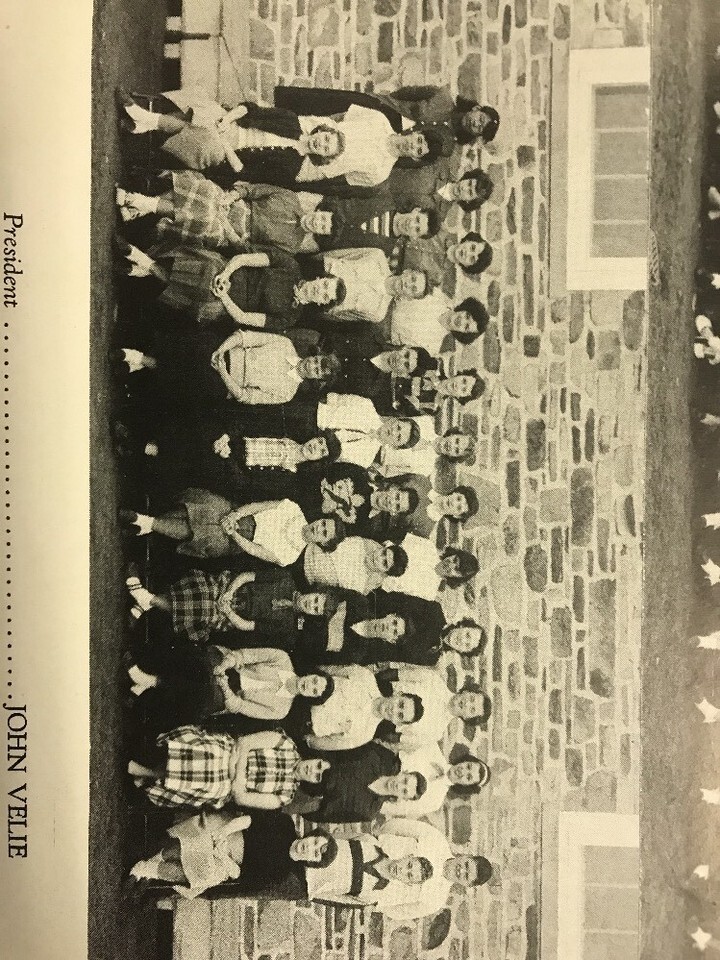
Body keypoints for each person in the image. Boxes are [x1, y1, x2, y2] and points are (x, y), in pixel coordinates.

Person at [115, 241, 347, 329]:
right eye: (325, 285)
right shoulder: (291, 265)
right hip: (229, 271)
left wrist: (223, 296)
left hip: (226, 305)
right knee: (210, 268)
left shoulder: (290, 317)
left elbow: (244, 318)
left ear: (321, 303)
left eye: (324, 295)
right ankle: (139, 264)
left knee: (206, 295)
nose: (320, 290)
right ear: (321, 278)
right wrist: (225, 275)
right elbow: (244, 259)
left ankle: (140, 263)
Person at [115, 176, 345, 254]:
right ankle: (138, 207)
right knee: (207, 191)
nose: (317, 223)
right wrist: (230, 197)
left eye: (322, 228)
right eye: (323, 218)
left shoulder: (291, 246)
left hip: (230, 233)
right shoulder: (290, 198)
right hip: (234, 205)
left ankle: (138, 202)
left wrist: (226, 225)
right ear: (319, 211)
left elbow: (247, 249)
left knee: (206, 217)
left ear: (319, 234)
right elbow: (252, 190)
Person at [129, 726, 330, 811]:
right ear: (316, 758)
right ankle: (148, 772)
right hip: (229, 751)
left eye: (317, 776)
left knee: (212, 784)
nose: (313, 770)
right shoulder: (285, 743)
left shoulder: (285, 796)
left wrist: (236, 768)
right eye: (318, 765)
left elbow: (241, 798)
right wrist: (237, 775)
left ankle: (147, 773)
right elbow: (244, 742)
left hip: (226, 784)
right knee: (213, 755)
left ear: (312, 784)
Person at [124, 567, 332, 647]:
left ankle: (145, 600)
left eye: (315, 609)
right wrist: (230, 592)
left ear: (312, 614)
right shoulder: (286, 579)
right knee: (202, 593)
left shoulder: (287, 625)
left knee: (205, 610)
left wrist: (229, 612)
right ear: (314, 592)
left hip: (229, 617)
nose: (311, 604)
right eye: (316, 599)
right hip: (227, 587)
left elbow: (248, 626)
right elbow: (249, 576)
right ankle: (145, 601)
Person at [125, 645, 334, 723]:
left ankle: (149, 682)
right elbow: (243, 655)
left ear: (310, 698)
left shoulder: (281, 710)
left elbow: (240, 707)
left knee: (205, 692)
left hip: (227, 696)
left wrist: (225, 687)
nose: (310, 686)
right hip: (227, 665)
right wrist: (224, 665)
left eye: (314, 691)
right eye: (315, 680)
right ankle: (148, 681)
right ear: (312, 674)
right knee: (203, 667)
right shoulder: (282, 658)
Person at [118, 493, 343, 562]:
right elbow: (257, 505)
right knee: (205, 507)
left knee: (203, 534)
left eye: (324, 533)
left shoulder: (291, 556)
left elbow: (255, 550)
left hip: (236, 541)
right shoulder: (294, 508)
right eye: (324, 523)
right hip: (239, 513)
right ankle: (145, 524)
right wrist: (235, 515)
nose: (319, 528)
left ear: (322, 543)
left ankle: (145, 521)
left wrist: (233, 532)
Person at [273, 84, 500, 148]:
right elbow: (406, 93)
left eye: (479, 128)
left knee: (334, 130)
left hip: (386, 134)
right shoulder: (443, 96)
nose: (475, 123)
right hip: (385, 108)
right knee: (330, 103)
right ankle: (278, 107)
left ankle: (282, 130)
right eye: (480, 119)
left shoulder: (448, 141)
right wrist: (386, 106)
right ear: (476, 109)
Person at [290, 664, 425, 752]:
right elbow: (325, 670)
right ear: (398, 694)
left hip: (298, 722)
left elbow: (323, 744)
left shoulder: (364, 735)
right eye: (400, 704)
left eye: (400, 715)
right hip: (300, 688)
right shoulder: (365, 676)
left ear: (397, 722)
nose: (394, 710)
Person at [296, 590, 447, 667]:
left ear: (391, 640)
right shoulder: (358, 602)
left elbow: (315, 657)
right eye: (394, 622)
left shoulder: (357, 653)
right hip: (300, 605)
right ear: (390, 615)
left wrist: (301, 626)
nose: (388, 627)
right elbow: (326, 593)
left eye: (394, 632)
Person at [293, 741, 423, 823]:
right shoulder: (375, 756)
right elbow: (337, 750)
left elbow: (324, 816)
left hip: (301, 794)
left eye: (404, 791)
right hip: (307, 763)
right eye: (405, 780)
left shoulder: (369, 812)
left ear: (402, 798)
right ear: (404, 772)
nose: (399, 786)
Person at [382, 666, 492, 748]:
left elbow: (394, 737)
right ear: (467, 691)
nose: (467, 704)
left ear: (467, 718)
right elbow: (394, 674)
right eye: (471, 698)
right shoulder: (433, 679)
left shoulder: (435, 733)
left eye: (472, 710)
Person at [388, 742, 491, 819]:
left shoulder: (435, 801)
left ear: (466, 786)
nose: (462, 771)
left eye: (468, 777)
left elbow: (396, 808)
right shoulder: (432, 748)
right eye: (468, 766)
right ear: (465, 760)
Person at [296, 534, 408, 595]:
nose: (379, 558)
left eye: (384, 563)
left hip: (302, 576)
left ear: (384, 572)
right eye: (383, 553)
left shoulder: (362, 585)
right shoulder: (362, 543)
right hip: (306, 546)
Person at [381, 535, 480, 601]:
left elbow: (397, 596)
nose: (450, 565)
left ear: (458, 578)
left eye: (456, 569)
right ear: (453, 554)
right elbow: (394, 541)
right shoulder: (428, 546)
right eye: (454, 559)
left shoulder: (429, 592)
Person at [393, 367, 486, 414]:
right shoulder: (433, 368)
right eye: (464, 380)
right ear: (461, 374)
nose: (458, 385)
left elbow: (401, 411)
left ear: (460, 397)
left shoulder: (434, 407)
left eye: (463, 390)